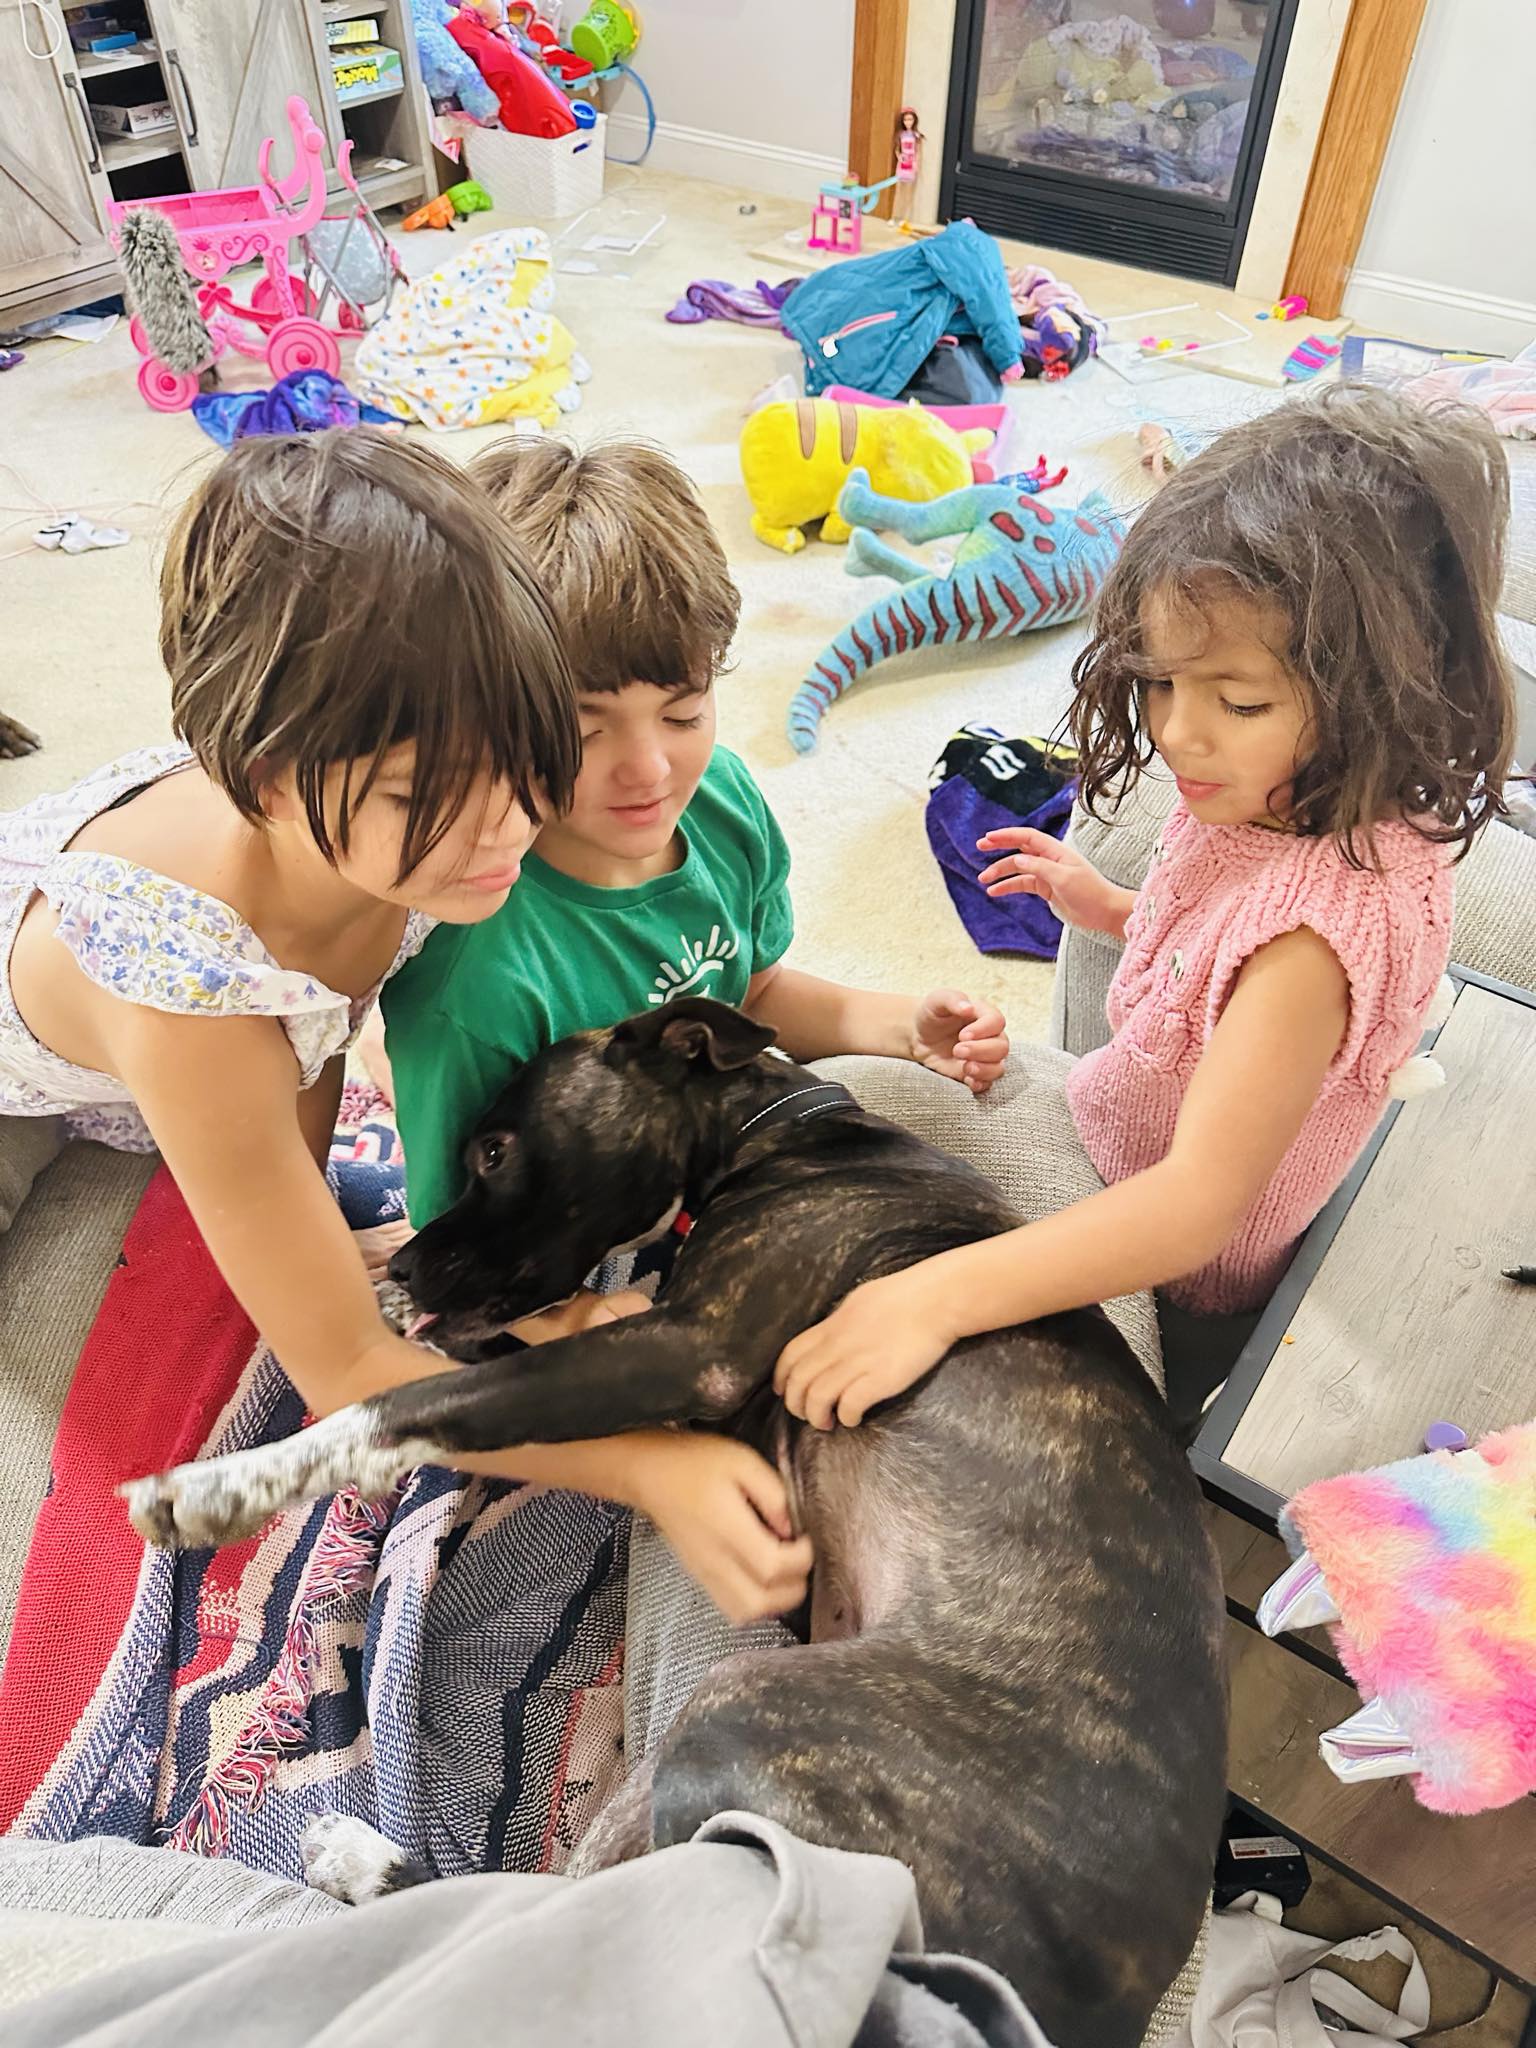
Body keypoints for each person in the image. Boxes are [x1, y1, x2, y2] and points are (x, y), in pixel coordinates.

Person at [0, 431, 803, 1626]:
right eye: (425, 796)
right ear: (269, 779)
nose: (505, 837)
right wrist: (650, 1463)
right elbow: (347, 1371)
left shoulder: (403, 825)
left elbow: (330, 1041)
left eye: (533, 764)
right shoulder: (190, 1009)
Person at [774, 387, 1516, 1430]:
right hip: (1123, 1129)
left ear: (1379, 691)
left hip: (1176, 1274)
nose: (1177, 731)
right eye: (1161, 683)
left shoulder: (1311, 944)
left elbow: (1192, 1207)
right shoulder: (1276, 794)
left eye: (1238, 700)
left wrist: (930, 1298)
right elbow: (1216, 961)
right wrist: (1109, 903)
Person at [381, 437, 1009, 1604]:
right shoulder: (476, 980)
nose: (647, 766)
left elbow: (753, 997)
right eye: (583, 725)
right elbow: (457, 1241)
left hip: (710, 1178)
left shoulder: (720, 806)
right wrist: (567, 1318)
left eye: (683, 708)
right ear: (494, 709)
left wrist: (891, 1018)